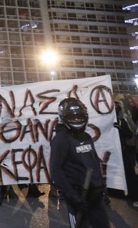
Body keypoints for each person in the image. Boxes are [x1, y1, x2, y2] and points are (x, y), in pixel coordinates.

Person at [50, 98, 109, 228]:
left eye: (79, 116)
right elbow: (56, 170)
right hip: (77, 197)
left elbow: (94, 163)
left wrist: (102, 187)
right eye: (72, 117)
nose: (76, 120)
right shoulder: (61, 140)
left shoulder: (87, 137)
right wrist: (72, 196)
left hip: (95, 196)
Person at [114, 101, 138, 207]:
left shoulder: (119, 121)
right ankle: (133, 197)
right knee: (129, 174)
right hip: (123, 151)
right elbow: (129, 134)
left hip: (121, 151)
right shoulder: (121, 121)